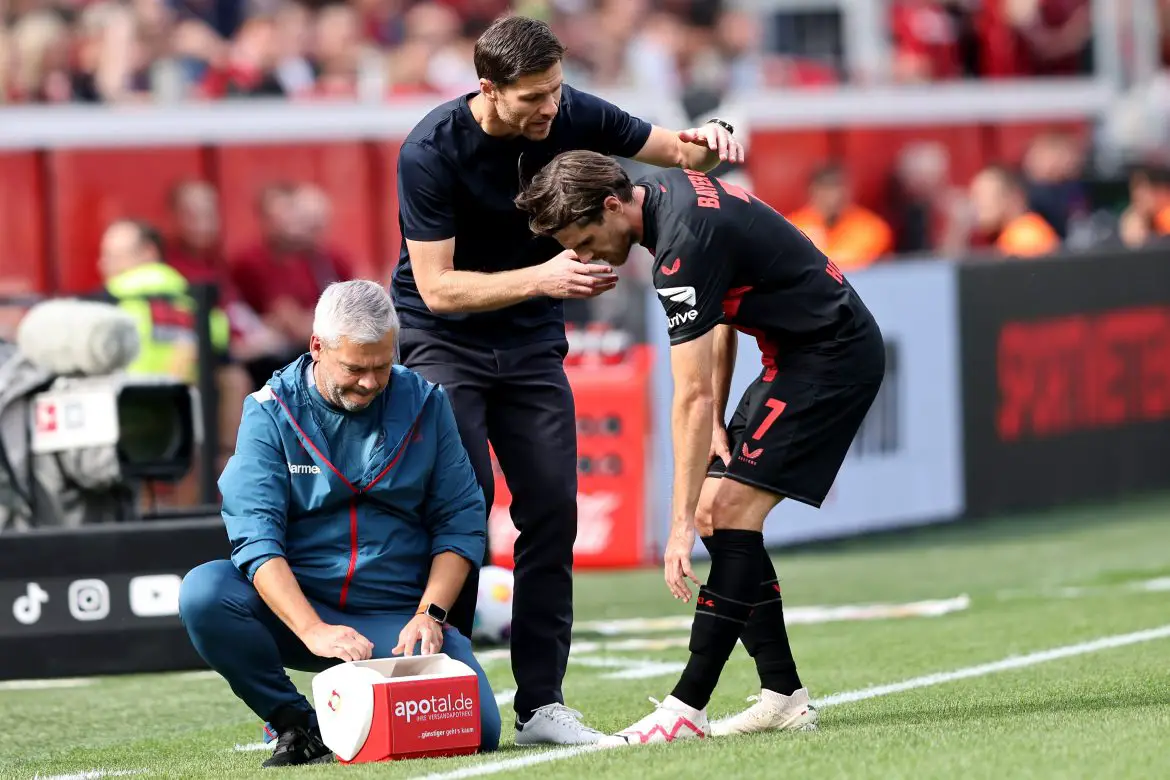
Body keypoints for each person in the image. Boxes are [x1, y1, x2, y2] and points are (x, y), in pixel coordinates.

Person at [391, 15, 745, 746]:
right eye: (534, 98)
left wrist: (714, 134)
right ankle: (447, 689)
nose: (551, 109)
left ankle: (540, 705)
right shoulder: (430, 152)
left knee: (553, 510)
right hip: (444, 340)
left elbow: (679, 152)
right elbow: (436, 289)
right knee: (464, 509)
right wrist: (545, 276)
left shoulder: (570, 107)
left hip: (529, 342)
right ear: (488, 89)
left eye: (555, 90)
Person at [513, 151, 887, 746]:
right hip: (794, 355)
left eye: (583, 240)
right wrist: (717, 416)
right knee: (724, 513)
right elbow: (718, 320)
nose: (582, 257)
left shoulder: (679, 245)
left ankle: (687, 707)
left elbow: (685, 394)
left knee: (723, 513)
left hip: (830, 358)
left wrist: (679, 522)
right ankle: (783, 694)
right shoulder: (662, 194)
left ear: (613, 205)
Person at [178, 280, 501, 768]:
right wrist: (313, 629)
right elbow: (255, 537)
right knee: (205, 593)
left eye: (381, 366)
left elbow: (460, 520)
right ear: (317, 348)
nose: (371, 382)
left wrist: (430, 614)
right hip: (303, 611)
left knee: (478, 729)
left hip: (396, 619)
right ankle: (295, 724)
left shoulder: (427, 403)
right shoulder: (269, 411)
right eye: (355, 368)